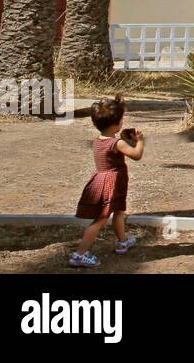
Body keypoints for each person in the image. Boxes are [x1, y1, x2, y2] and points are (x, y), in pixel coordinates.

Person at [70, 96, 145, 268]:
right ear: (116, 124)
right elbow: (136, 155)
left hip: (105, 180)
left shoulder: (98, 141)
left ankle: (123, 241)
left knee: (119, 211)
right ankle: (79, 255)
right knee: (101, 219)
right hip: (112, 183)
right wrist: (140, 141)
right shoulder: (116, 143)